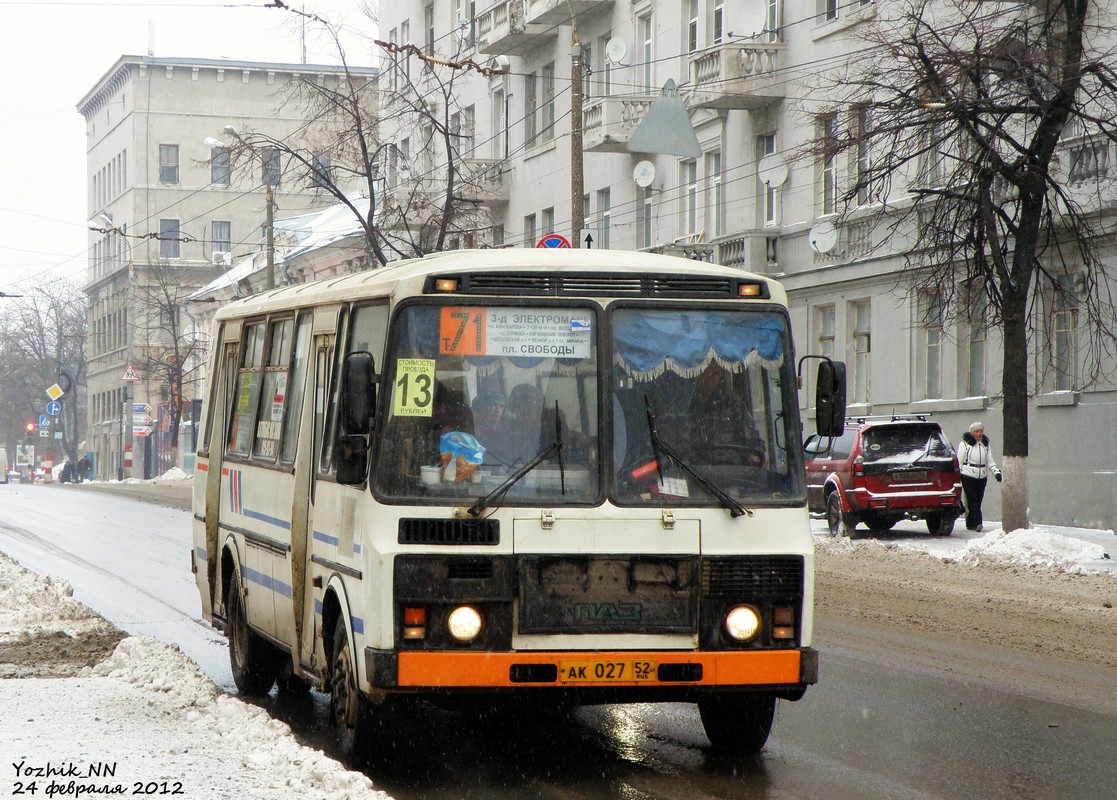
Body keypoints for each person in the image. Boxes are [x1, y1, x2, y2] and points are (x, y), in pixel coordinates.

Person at [687, 363, 765, 466]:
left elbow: (753, 441)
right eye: (706, 373)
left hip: (734, 473)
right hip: (696, 474)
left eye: (715, 374)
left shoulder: (733, 405)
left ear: (721, 376)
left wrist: (754, 455)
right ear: (696, 374)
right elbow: (681, 449)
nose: (710, 379)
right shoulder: (685, 407)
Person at [957, 421, 1002, 532]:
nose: (979, 433)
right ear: (972, 432)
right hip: (968, 475)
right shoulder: (964, 444)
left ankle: (970, 522)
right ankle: (978, 522)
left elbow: (990, 461)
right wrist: (958, 476)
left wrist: (996, 472)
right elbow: (959, 461)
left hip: (982, 476)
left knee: (978, 499)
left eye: (980, 431)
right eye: (976, 431)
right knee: (973, 499)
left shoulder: (985, 445)